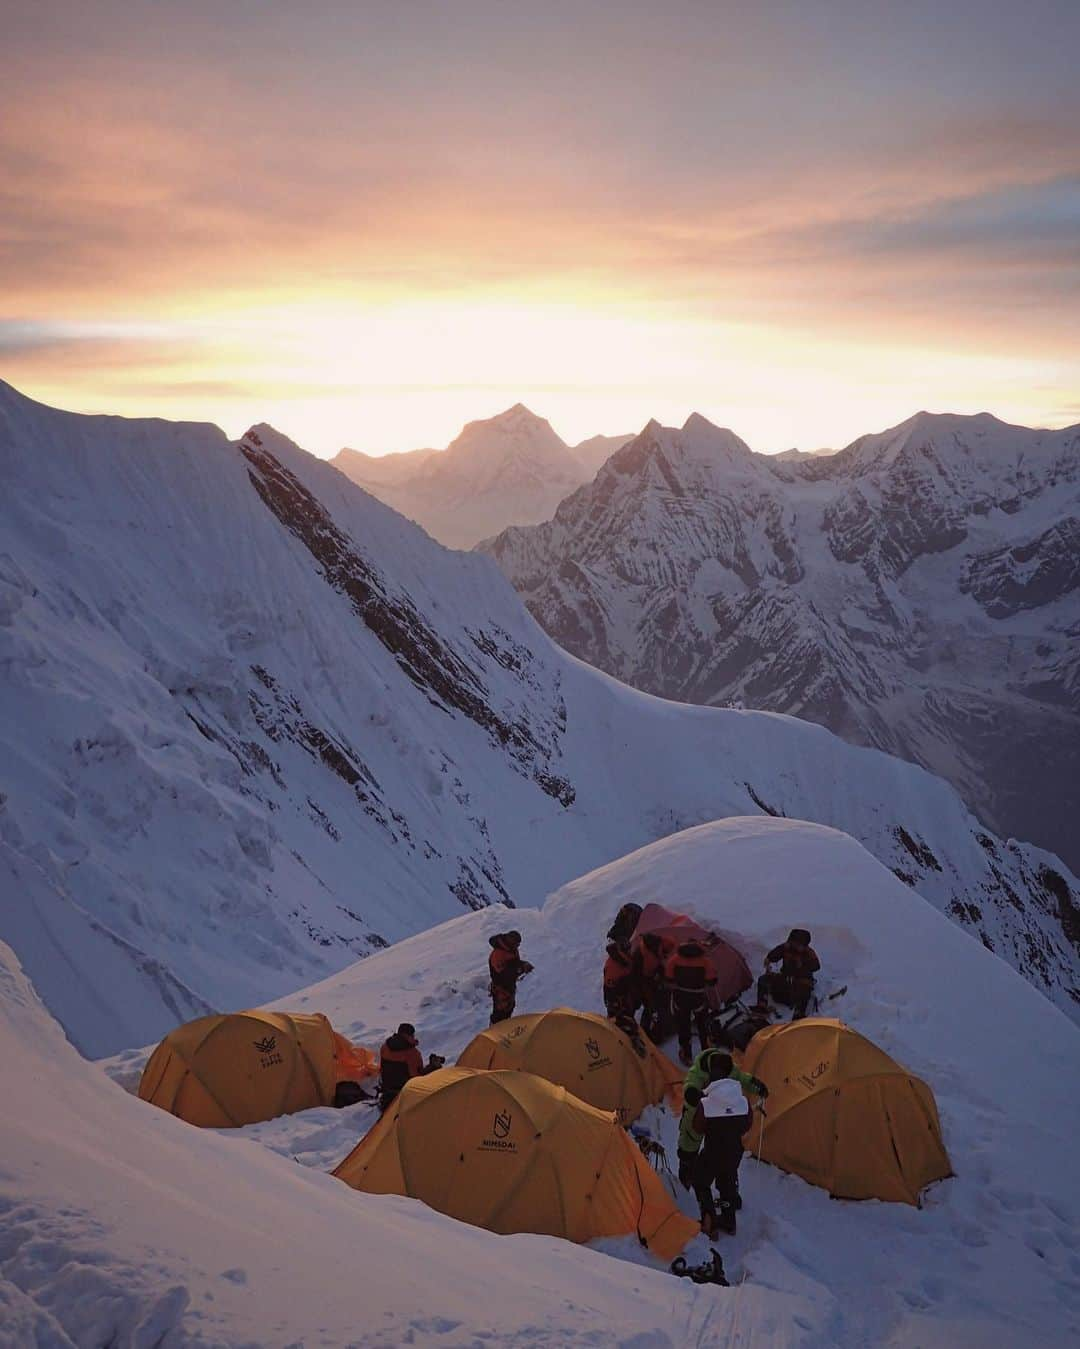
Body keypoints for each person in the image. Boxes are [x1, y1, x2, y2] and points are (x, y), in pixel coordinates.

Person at [676, 1047, 767, 1194]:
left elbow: (742, 1078)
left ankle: (726, 1187)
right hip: (694, 1109)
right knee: (690, 1139)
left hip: (718, 1111)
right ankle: (686, 1171)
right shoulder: (700, 1069)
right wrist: (692, 1093)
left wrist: (756, 1085)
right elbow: (690, 1083)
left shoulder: (730, 1068)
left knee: (722, 1147)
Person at [692, 1053, 762, 1236]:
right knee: (727, 1184)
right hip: (734, 1152)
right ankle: (728, 1219)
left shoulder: (706, 1103)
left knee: (701, 1181)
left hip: (712, 1151)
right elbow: (747, 1125)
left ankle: (708, 1215)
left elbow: (697, 1127)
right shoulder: (743, 1102)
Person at [665, 938, 717, 1065]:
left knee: (683, 1025)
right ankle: (706, 1050)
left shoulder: (674, 959)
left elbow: (668, 980)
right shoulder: (705, 961)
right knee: (702, 1024)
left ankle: (686, 1053)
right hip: (698, 998)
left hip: (680, 998)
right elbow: (712, 982)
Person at [754, 928, 821, 1020]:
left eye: (798, 944)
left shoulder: (809, 953)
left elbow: (816, 966)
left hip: (800, 984)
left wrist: (803, 966)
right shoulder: (786, 947)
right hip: (785, 980)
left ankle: (799, 1014)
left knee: (805, 988)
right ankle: (762, 1007)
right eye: (793, 943)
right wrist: (769, 959)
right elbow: (775, 954)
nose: (795, 946)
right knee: (763, 979)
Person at [378, 1023, 443, 1111]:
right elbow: (418, 1078)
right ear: (408, 1035)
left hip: (387, 1090)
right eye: (412, 1034)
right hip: (404, 1092)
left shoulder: (385, 1046)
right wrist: (433, 1066)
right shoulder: (412, 1054)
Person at [488, 930, 533, 1024]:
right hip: (501, 988)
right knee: (500, 1013)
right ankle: (494, 1034)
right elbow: (503, 973)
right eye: (516, 944)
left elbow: (514, 963)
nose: (517, 946)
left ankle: (505, 1031)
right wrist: (519, 969)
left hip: (510, 986)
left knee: (509, 1009)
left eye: (518, 944)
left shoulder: (512, 950)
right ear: (510, 941)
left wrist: (523, 964)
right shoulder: (497, 954)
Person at [633, 932, 670, 1040]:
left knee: (648, 1006)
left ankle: (646, 1031)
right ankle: (647, 1033)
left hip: (642, 982)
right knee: (650, 1006)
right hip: (642, 985)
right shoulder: (650, 957)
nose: (665, 956)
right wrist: (657, 978)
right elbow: (646, 975)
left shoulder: (649, 948)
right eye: (666, 952)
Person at [602, 941, 640, 1020]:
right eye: (629, 950)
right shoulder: (613, 966)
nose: (630, 951)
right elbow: (612, 988)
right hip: (618, 1000)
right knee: (618, 1019)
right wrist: (627, 981)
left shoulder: (623, 959)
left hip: (626, 996)